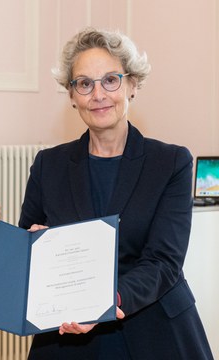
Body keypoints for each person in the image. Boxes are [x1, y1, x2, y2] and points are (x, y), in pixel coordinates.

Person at [19, 28, 213, 359]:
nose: (98, 94)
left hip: (153, 327)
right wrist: (36, 247)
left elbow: (164, 261)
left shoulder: (171, 162)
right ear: (71, 95)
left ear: (133, 85)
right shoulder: (48, 165)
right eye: (84, 83)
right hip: (70, 335)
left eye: (111, 79)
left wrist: (108, 300)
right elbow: (26, 247)